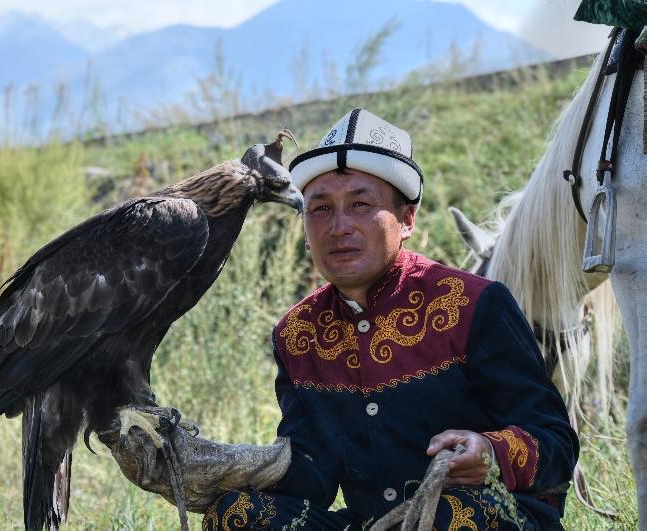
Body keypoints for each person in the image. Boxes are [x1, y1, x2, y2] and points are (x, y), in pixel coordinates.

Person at [202, 109, 579, 530]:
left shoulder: (474, 304)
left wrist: (490, 452)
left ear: (407, 219)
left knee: (442, 516)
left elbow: (556, 444)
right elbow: (312, 475)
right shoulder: (297, 335)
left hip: (491, 518)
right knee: (234, 514)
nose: (339, 226)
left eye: (361, 204)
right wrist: (220, 466)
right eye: (320, 209)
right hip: (374, 523)